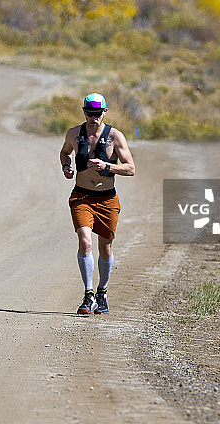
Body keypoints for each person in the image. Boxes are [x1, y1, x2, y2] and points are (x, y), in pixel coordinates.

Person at [60, 92, 135, 315]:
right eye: (90, 113)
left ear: (105, 112)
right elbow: (65, 152)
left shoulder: (115, 136)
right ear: (84, 112)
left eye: (98, 114)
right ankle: (88, 294)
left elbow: (130, 168)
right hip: (81, 196)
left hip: (107, 199)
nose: (94, 118)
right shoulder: (74, 133)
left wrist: (108, 167)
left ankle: (102, 292)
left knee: (105, 246)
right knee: (85, 241)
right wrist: (66, 167)